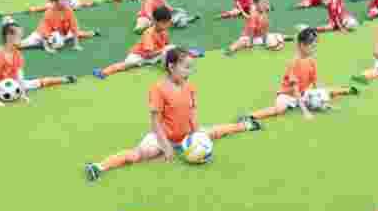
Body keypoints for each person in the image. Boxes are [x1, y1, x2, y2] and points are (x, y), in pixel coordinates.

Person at [84, 48, 262, 182]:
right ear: (171, 66)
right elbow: (155, 122)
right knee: (140, 154)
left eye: (191, 67)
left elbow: (192, 112)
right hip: (164, 137)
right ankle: (99, 167)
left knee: (213, 132)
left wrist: (197, 133)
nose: (189, 71)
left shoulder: (190, 86)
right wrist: (165, 146)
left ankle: (245, 124)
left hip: (185, 136)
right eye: (186, 67)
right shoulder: (158, 88)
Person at [244, 27, 357, 122]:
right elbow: (295, 89)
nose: (314, 49)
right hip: (288, 95)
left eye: (314, 46)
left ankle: (347, 90)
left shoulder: (311, 61)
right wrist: (305, 111)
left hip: (303, 93)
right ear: (302, 45)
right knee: (279, 109)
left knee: (325, 90)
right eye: (312, 46)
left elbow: (316, 82)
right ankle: (250, 116)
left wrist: (324, 101)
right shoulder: (293, 63)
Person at [94, 7, 192, 80]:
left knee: (173, 49)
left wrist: (168, 51)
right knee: (128, 64)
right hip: (140, 56)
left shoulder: (164, 31)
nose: (167, 25)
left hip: (156, 54)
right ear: (155, 21)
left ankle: (189, 55)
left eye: (168, 23)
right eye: (164, 23)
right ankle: (103, 72)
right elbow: (148, 55)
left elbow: (168, 47)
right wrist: (163, 50)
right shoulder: (148, 34)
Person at [19, 0, 98, 53]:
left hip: (60, 34)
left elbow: (74, 27)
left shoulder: (68, 10)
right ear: (55, 1)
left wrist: (76, 45)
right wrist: (47, 47)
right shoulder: (49, 13)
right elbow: (44, 31)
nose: (66, 0)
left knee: (74, 34)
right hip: (41, 35)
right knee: (20, 45)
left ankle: (92, 33)